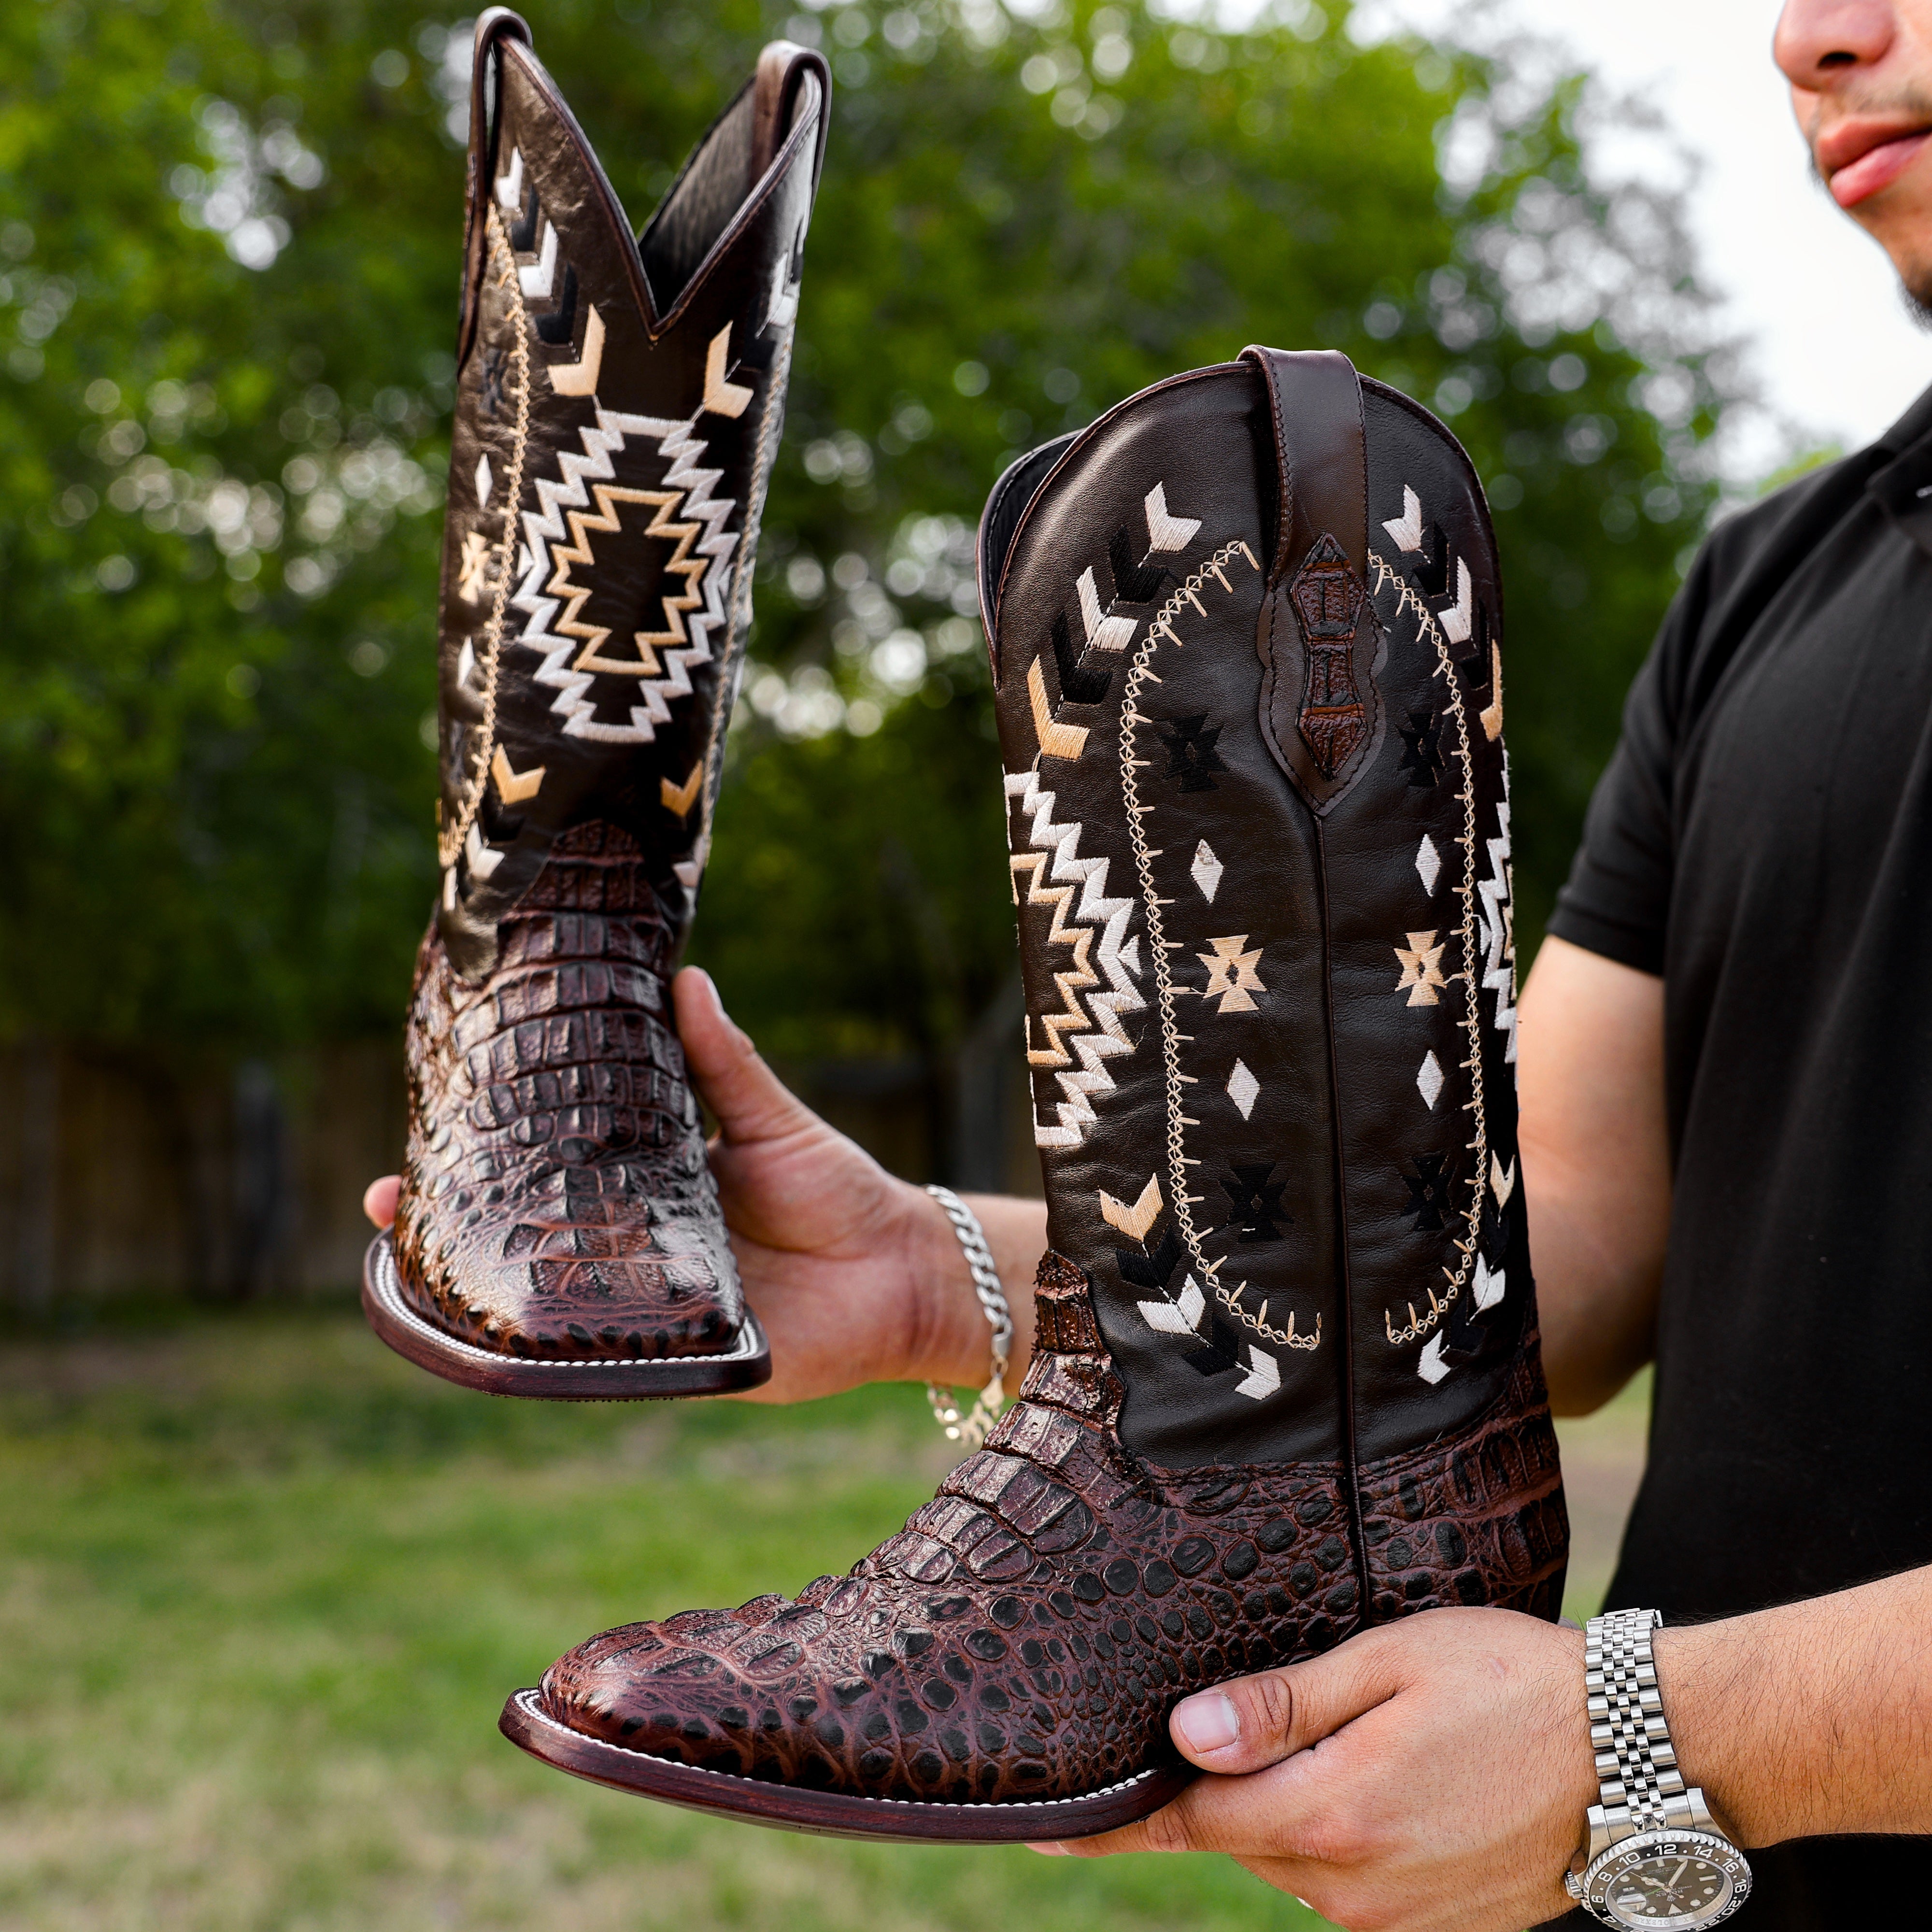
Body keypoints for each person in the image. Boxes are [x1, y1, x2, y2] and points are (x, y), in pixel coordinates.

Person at [368, 2, 1932, 1923]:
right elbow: (1530, 1264)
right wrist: (944, 1272)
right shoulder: (1780, 584)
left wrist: (1649, 1736)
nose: (1813, 31)